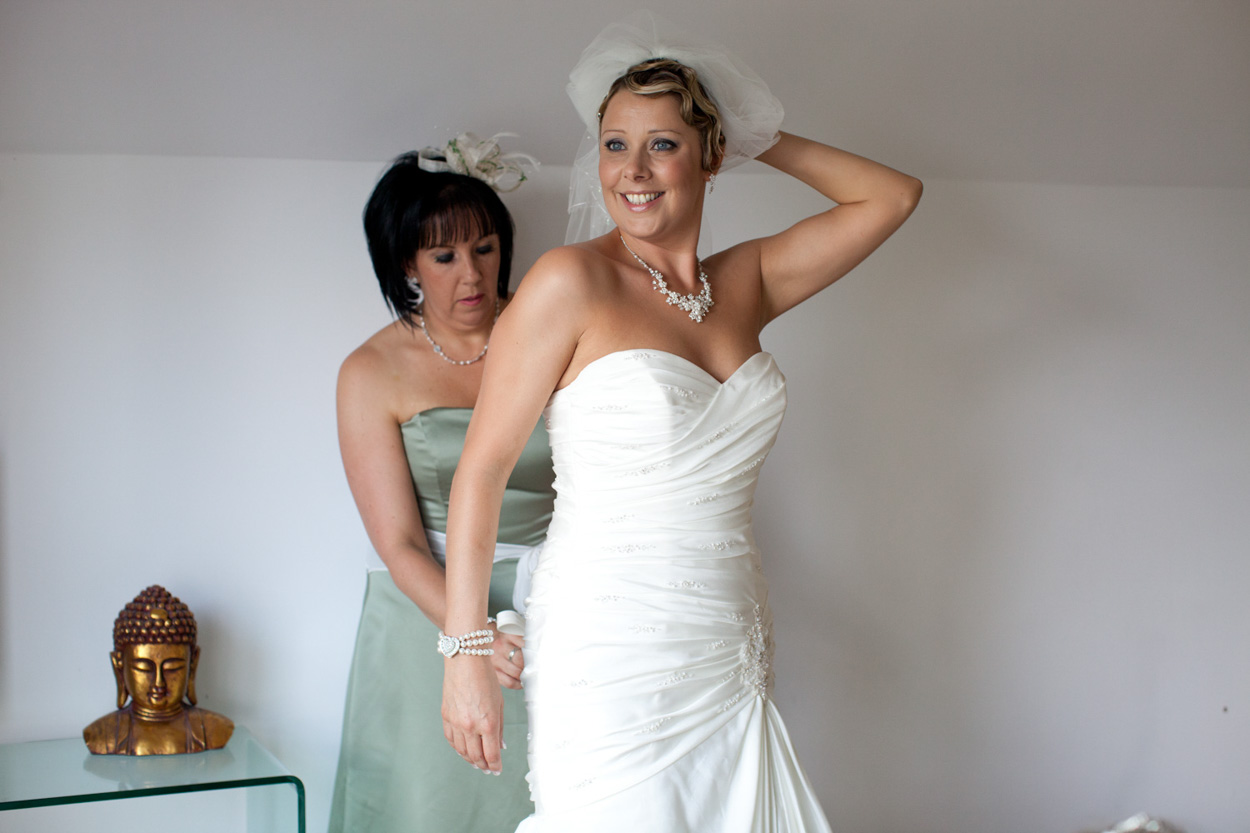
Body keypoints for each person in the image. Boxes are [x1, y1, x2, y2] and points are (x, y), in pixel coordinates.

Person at [440, 15, 922, 832]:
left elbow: (892, 195)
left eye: (663, 144)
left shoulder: (747, 284)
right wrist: (466, 655)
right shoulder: (571, 283)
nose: (632, 170)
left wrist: (747, 127)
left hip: (727, 638)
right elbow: (481, 469)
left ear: (709, 156)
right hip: (608, 641)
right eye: (615, 143)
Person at [328, 135, 553, 833]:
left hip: (553, 606)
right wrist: (476, 637)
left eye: (484, 248)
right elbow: (396, 541)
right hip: (424, 615)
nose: (472, 275)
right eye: (445, 255)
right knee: (426, 806)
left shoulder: (549, 332)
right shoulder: (371, 370)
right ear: (409, 263)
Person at [83, 584, 234, 756]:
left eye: (172, 668)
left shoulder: (213, 729)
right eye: (144, 668)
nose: (158, 682)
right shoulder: (103, 734)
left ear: (193, 664)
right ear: (119, 666)